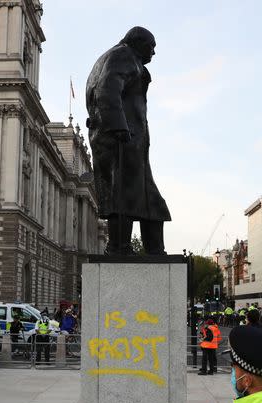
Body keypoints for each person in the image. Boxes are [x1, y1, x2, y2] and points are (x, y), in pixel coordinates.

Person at [86, 26, 170, 255]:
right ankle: (119, 247)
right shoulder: (124, 56)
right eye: (151, 47)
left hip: (118, 137)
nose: (153, 53)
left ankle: (149, 249)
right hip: (121, 139)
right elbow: (107, 89)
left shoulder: (114, 56)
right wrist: (118, 127)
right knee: (125, 194)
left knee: (141, 196)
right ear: (138, 42)